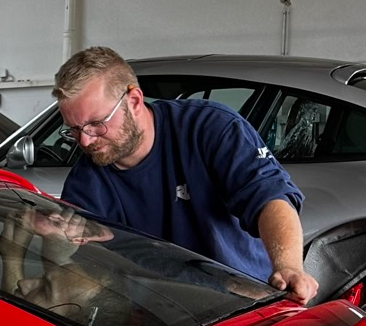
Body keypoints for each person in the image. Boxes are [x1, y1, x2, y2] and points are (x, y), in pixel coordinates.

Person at [51, 46, 318, 303]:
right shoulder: (86, 181)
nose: (85, 142)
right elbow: (89, 269)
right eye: (74, 129)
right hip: (165, 318)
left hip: (247, 303)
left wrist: (289, 267)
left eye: (96, 124)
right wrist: (57, 240)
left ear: (133, 101)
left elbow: (270, 198)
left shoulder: (209, 128)